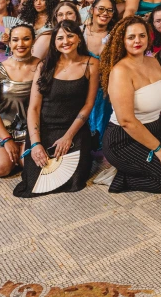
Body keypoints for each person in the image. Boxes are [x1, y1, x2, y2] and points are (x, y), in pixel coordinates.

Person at [101, 17, 161, 193]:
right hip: (124, 139)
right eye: (131, 37)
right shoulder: (120, 72)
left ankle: (146, 165)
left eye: (142, 35)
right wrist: (158, 148)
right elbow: (126, 121)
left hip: (155, 128)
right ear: (122, 40)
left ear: (148, 38)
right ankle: (123, 179)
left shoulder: (153, 62)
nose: (137, 41)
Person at [15, 22, 99, 197]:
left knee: (74, 181)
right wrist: (36, 143)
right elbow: (34, 107)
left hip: (73, 129)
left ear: (78, 39)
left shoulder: (91, 64)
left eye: (70, 36)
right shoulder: (43, 66)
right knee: (34, 182)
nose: (65, 41)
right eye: (60, 38)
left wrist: (68, 137)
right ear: (54, 42)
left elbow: (88, 104)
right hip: (44, 128)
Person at [0, 24, 40, 177]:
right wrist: (6, 139)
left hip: (32, 130)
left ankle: (19, 157)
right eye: (15, 40)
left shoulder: (43, 67)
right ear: (9, 43)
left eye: (26, 39)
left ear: (33, 41)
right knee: (1, 168)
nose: (20, 44)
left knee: (33, 168)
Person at [83, 0, 119, 142]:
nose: (105, 13)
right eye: (101, 9)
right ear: (92, 10)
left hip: (105, 90)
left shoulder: (115, 36)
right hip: (81, 88)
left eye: (110, 10)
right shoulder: (79, 31)